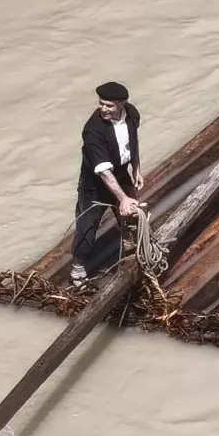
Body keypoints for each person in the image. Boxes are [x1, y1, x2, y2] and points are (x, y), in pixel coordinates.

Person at [71, 81, 143, 284]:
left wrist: (137, 168)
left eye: (109, 105)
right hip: (95, 183)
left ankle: (131, 253)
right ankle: (77, 269)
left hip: (120, 173)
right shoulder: (93, 131)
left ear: (122, 104)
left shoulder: (132, 114)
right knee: (87, 227)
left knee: (132, 218)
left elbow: (133, 141)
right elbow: (103, 172)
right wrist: (122, 199)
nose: (103, 109)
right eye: (101, 104)